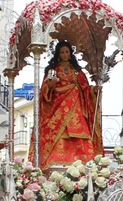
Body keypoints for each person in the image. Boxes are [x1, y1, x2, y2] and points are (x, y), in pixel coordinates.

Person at [36, 40, 102, 168]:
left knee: (80, 131)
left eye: (67, 52)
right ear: (58, 54)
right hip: (58, 106)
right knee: (60, 132)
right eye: (62, 52)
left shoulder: (77, 71)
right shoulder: (53, 70)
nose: (65, 55)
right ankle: (57, 158)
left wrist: (94, 90)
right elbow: (45, 89)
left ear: (71, 53)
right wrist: (51, 83)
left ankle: (83, 159)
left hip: (76, 105)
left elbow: (85, 87)